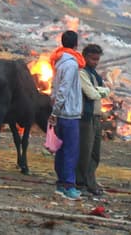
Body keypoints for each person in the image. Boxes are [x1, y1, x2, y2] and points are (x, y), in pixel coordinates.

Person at [50, 30, 84, 200]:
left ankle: (61, 183)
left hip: (61, 111)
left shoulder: (59, 61)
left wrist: (54, 109)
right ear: (76, 44)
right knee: (70, 150)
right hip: (68, 113)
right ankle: (68, 186)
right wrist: (56, 111)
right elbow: (63, 89)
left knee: (61, 150)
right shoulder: (71, 64)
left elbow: (54, 88)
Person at [77, 44, 111, 198]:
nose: (95, 62)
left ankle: (91, 181)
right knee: (84, 152)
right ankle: (80, 183)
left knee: (95, 153)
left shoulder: (94, 74)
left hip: (96, 117)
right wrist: (101, 92)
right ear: (85, 57)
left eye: (97, 59)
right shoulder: (82, 73)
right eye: (93, 59)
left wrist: (101, 91)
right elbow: (91, 94)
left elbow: (105, 90)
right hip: (85, 117)